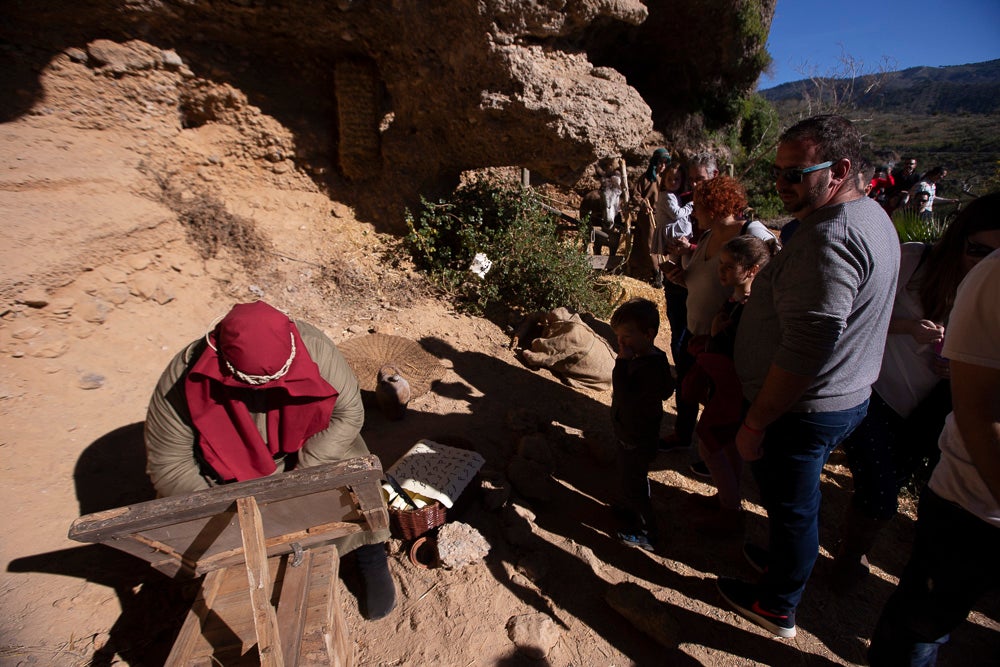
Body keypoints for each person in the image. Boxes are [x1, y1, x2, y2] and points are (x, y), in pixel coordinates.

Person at [720, 114, 900, 639]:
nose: (781, 184)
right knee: (790, 506)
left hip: (804, 409)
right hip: (842, 396)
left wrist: (756, 421)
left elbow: (806, 347)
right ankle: (785, 564)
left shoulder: (832, 238)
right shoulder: (870, 216)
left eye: (795, 173)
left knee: (795, 508)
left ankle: (778, 605)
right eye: (777, 172)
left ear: (840, 170)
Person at [144, 300, 397, 620]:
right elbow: (170, 463)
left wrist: (303, 475)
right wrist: (228, 508)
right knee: (210, 528)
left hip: (307, 450)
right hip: (230, 471)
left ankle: (368, 553)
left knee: (355, 467)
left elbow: (348, 414)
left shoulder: (314, 348)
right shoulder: (184, 377)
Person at [834, 192, 1000, 589]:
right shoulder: (913, 259)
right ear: (958, 237)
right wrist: (909, 328)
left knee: (885, 487)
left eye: (996, 256)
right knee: (882, 493)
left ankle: (851, 554)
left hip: (928, 411)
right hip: (873, 393)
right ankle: (846, 562)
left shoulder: (990, 294)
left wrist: (958, 370)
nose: (984, 264)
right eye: (977, 250)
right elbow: (857, 314)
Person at [868, 241, 1000, 666]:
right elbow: (979, 410)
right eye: (976, 246)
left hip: (925, 423)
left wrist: (954, 370)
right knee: (921, 624)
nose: (980, 257)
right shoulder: (990, 277)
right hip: (971, 496)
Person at [661, 176, 774, 480]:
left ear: (714, 206)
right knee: (688, 386)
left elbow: (771, 268)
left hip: (727, 338)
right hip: (696, 329)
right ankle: (685, 437)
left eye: (697, 206)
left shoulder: (751, 234)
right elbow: (702, 275)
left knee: (719, 400)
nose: (692, 212)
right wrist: (681, 275)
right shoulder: (708, 234)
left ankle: (717, 458)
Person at [682, 234, 780, 537]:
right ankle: (728, 498)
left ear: (751, 270)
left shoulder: (753, 308)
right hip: (725, 385)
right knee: (727, 446)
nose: (721, 271)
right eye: (720, 265)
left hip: (734, 389)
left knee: (709, 444)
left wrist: (712, 337)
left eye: (728, 266)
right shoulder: (737, 300)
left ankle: (731, 512)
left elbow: (741, 350)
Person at [658, 152, 719, 455]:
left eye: (700, 178)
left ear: (716, 176)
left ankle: (710, 444)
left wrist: (689, 248)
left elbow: (722, 249)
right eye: (691, 179)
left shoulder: (722, 209)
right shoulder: (685, 203)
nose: (694, 184)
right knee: (682, 357)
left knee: (698, 363)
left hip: (707, 301)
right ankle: (684, 432)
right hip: (681, 287)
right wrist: (675, 263)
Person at [609, 297, 675, 552]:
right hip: (631, 432)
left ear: (649, 334)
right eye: (619, 337)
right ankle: (630, 509)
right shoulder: (652, 357)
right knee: (629, 478)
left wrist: (622, 363)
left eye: (627, 336)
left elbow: (624, 393)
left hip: (636, 436)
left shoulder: (647, 367)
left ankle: (647, 531)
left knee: (635, 482)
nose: (621, 343)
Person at [629, 148, 672, 286]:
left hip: (662, 216)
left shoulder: (666, 179)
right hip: (648, 216)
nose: (662, 166)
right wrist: (643, 203)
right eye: (660, 163)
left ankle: (664, 271)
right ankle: (654, 273)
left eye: (665, 164)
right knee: (650, 244)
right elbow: (636, 194)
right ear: (655, 162)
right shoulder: (646, 178)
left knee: (664, 245)